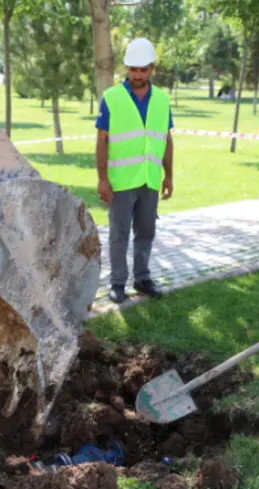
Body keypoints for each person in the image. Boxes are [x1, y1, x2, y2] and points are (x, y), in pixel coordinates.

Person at [95, 37, 174, 304]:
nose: (138, 75)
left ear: (152, 68)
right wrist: (102, 179)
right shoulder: (112, 98)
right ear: (126, 68)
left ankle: (142, 278)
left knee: (146, 232)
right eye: (133, 70)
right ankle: (117, 283)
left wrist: (169, 176)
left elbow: (166, 139)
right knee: (119, 234)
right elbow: (102, 140)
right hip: (121, 181)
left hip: (149, 179)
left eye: (143, 69)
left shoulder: (162, 100)